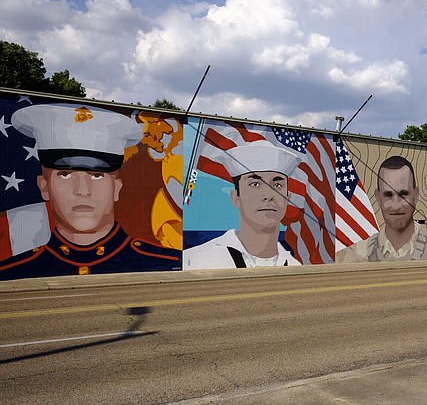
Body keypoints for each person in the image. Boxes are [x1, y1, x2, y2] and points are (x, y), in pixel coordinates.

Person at [0, 103, 181, 279]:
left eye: (97, 175)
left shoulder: (165, 259)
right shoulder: (13, 269)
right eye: (65, 174)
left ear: (116, 188)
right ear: (44, 187)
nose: (83, 190)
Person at [183, 140, 302, 269]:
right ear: (236, 198)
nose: (268, 195)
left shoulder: (294, 266)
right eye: (255, 184)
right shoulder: (194, 261)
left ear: (287, 198)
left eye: (277, 185)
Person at [337, 155, 427, 262]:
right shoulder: (352, 257)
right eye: (388, 195)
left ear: (416, 196)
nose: (395, 206)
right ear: (378, 198)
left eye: (403, 194)